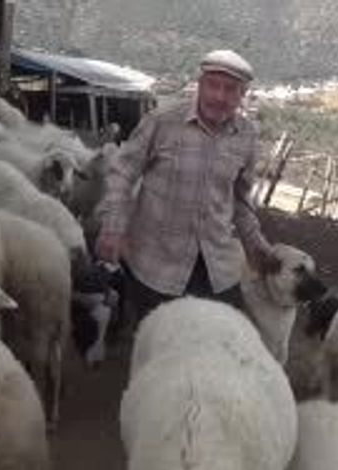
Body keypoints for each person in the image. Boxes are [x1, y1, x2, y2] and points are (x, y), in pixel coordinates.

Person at [94, 49, 277, 324]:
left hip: (216, 268)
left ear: (242, 95)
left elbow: (240, 198)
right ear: (199, 85)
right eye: (213, 85)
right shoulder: (162, 121)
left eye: (230, 89)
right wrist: (113, 227)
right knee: (159, 347)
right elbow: (123, 172)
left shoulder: (247, 136)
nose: (219, 96)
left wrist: (255, 243)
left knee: (211, 345)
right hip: (157, 265)